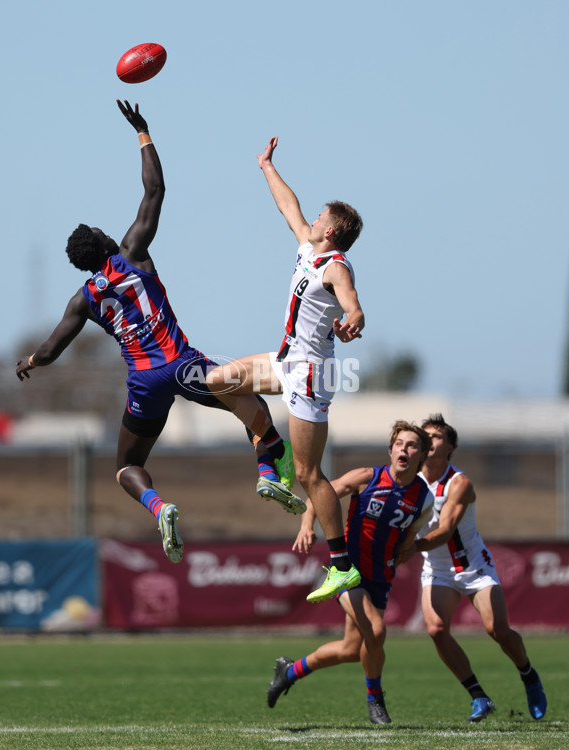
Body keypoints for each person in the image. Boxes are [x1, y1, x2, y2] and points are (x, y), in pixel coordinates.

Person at [16, 100, 306, 565]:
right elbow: (155, 189)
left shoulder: (83, 298)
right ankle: (268, 466)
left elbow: (51, 350)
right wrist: (143, 133)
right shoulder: (131, 253)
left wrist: (29, 362)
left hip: (143, 382)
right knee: (249, 402)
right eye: (101, 228)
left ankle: (160, 506)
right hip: (183, 366)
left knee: (127, 466)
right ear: (105, 242)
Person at [207, 135, 365, 603]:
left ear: (332, 232)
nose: (312, 220)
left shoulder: (335, 266)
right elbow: (288, 208)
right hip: (287, 361)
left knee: (309, 475)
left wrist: (352, 323)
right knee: (217, 381)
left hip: (312, 375)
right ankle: (268, 445)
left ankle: (341, 566)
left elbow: (353, 306)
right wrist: (266, 167)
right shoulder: (307, 248)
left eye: (321, 218)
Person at [267, 421, 434, 724]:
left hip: (380, 578)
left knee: (349, 649)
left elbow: (408, 539)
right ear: (391, 449)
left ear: (421, 455)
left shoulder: (424, 498)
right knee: (378, 631)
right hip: (347, 571)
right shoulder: (367, 477)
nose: (404, 449)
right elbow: (320, 494)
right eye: (399, 443)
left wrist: (404, 551)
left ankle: (289, 671)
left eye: (411, 445)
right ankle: (376, 700)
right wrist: (307, 525)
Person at [400, 414, 547, 723]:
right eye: (424, 436)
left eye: (437, 436)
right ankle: (478, 696)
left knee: (497, 630)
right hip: (437, 570)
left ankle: (529, 675)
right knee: (436, 629)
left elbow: (445, 529)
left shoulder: (459, 482)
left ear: (450, 446)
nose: (429, 440)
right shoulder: (407, 480)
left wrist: (412, 547)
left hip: (473, 566)